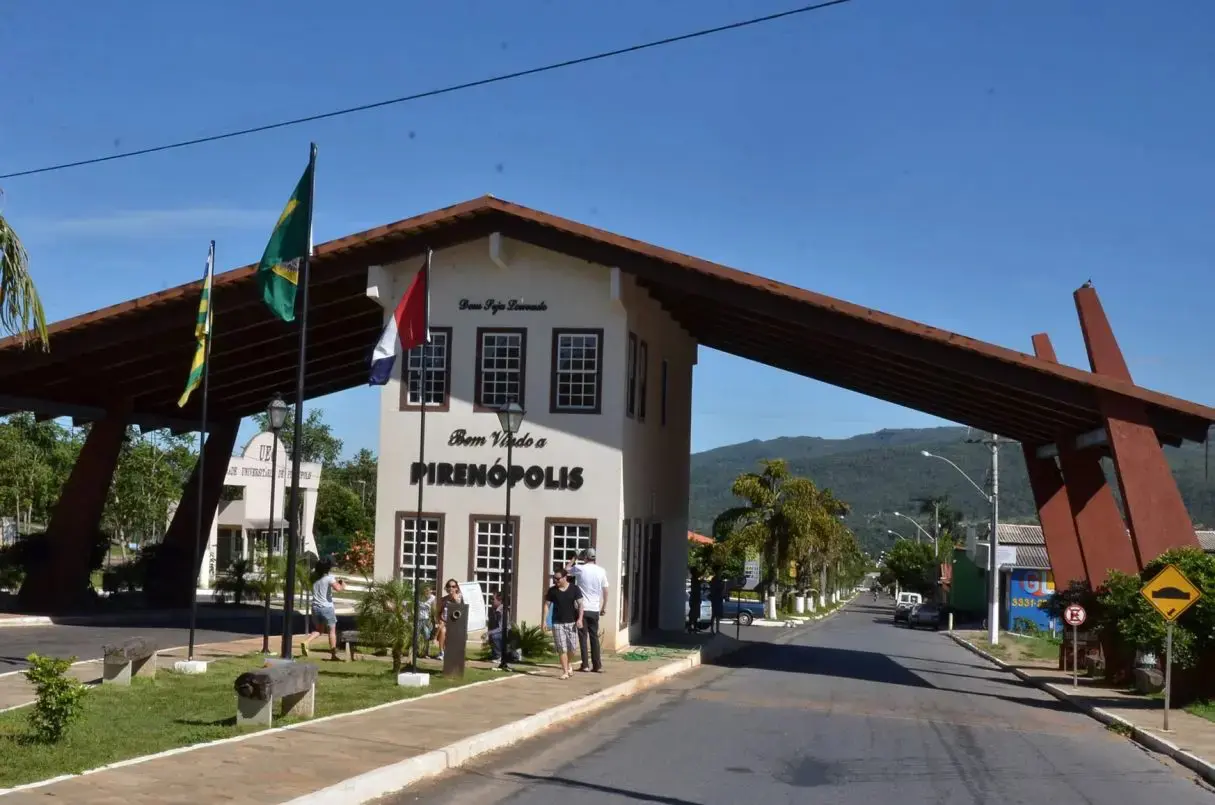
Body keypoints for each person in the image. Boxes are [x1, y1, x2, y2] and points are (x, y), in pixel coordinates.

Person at [567, 548, 608, 673]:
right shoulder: (601, 571)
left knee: (583, 637)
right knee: (594, 637)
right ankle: (597, 665)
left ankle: (585, 665)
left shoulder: (580, 568)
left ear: (585, 557)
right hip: (595, 608)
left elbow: (566, 569)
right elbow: (605, 590)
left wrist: (574, 558)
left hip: (582, 608)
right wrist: (604, 607)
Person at [301, 560, 346, 660]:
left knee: (319, 630)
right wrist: (343, 585)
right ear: (327, 568)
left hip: (315, 607)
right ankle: (333, 655)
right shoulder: (329, 578)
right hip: (327, 608)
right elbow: (338, 589)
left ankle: (306, 642)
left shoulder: (313, 577)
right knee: (331, 631)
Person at [543, 568, 584, 679]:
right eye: (554, 578)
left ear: (565, 577)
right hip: (557, 623)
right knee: (562, 649)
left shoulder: (574, 589)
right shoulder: (552, 591)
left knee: (573, 648)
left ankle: (568, 663)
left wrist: (580, 619)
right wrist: (544, 621)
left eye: (557, 579)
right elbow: (547, 605)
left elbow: (580, 605)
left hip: (572, 622)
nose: (555, 581)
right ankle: (565, 671)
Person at [435, 578, 463, 661]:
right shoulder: (443, 599)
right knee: (443, 630)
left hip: (456, 623)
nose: (451, 588)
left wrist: (455, 599)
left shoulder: (460, 598)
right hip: (445, 622)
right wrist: (440, 620)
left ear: (457, 588)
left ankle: (451, 653)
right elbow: (438, 612)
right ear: (446, 588)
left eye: (453, 586)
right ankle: (441, 652)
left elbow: (462, 610)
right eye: (449, 586)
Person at [417, 585, 436, 658]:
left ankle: (426, 653)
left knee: (426, 636)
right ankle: (417, 652)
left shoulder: (432, 598)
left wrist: (433, 621)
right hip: (418, 619)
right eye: (426, 590)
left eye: (429, 590)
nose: (427, 592)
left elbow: (434, 611)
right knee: (417, 636)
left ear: (431, 591)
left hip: (427, 620)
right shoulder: (419, 597)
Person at [486, 591, 505, 662]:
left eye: (493, 599)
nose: (491, 601)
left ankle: (498, 657)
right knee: (493, 635)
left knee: (495, 635)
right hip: (499, 633)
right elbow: (490, 624)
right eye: (490, 599)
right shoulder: (491, 610)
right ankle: (495, 655)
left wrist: (490, 633)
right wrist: (488, 634)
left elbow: (501, 628)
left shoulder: (502, 610)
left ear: (499, 600)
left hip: (507, 634)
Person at [688, 566, 703, 633]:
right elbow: (696, 590)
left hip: (694, 598)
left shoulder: (694, 579)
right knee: (694, 613)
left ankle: (693, 627)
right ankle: (692, 627)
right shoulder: (695, 580)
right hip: (695, 598)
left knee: (694, 613)